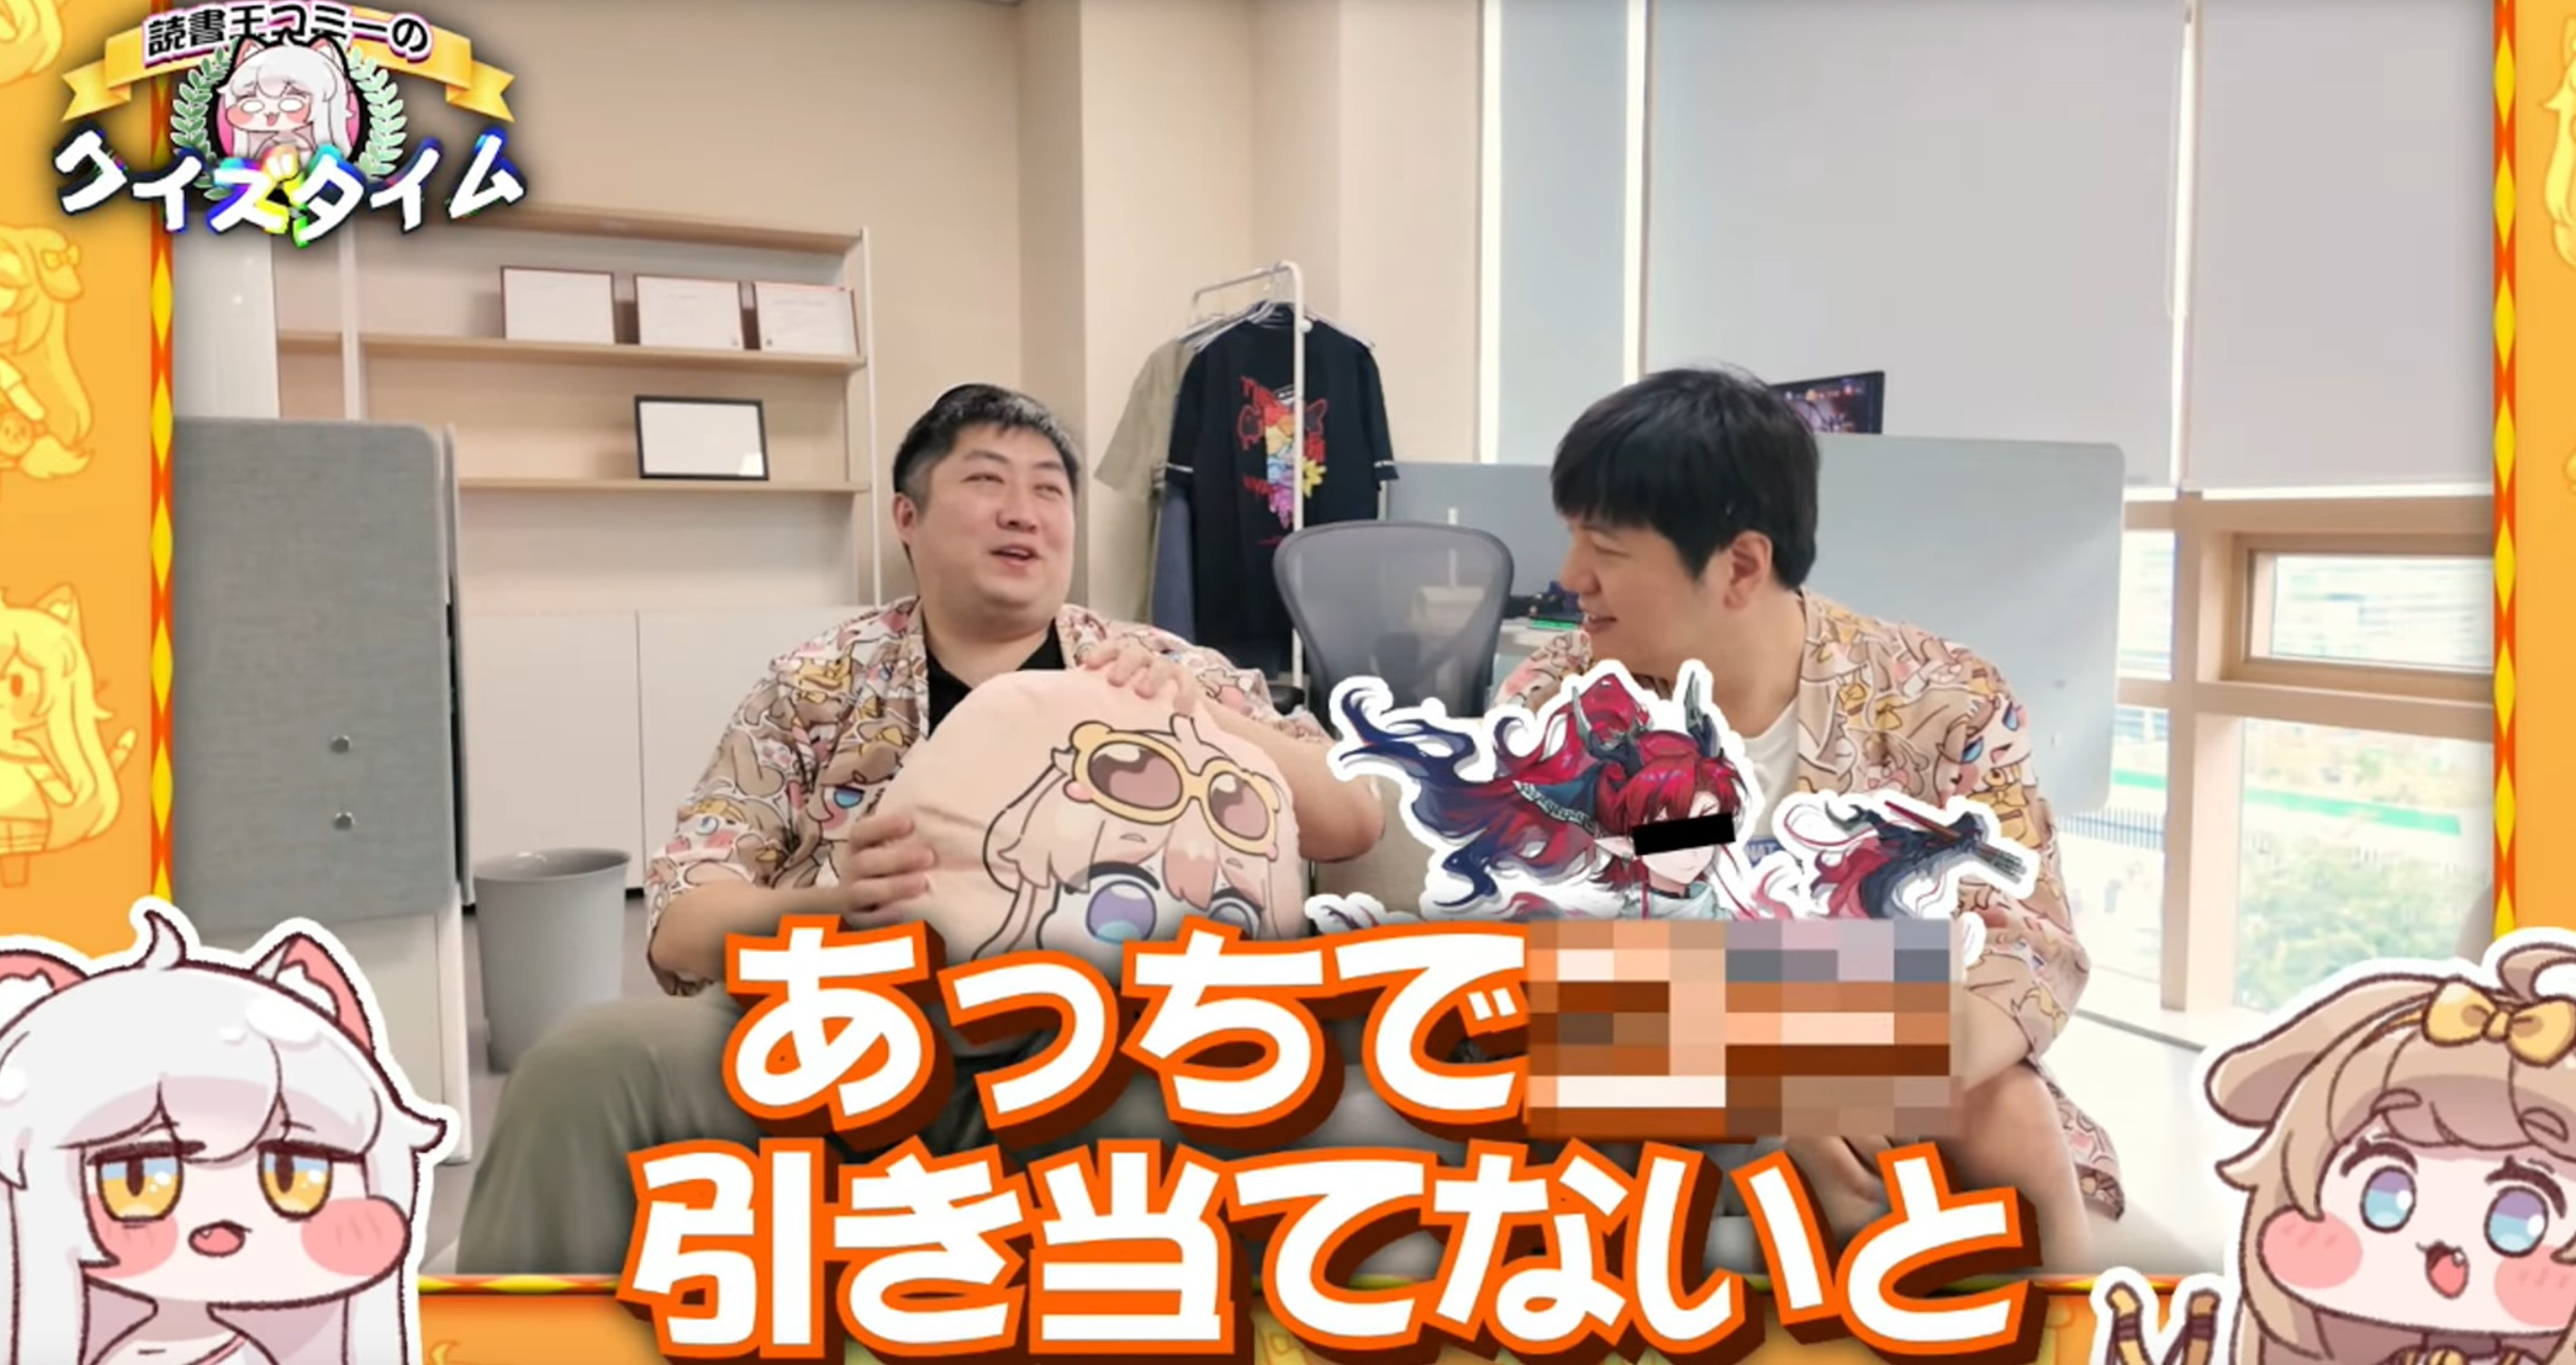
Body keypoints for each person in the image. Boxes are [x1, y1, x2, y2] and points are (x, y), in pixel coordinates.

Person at [455, 384, 1385, 1274]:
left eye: (1048, 490)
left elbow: (1354, 816)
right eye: (985, 480)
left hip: (1093, 1048)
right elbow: (679, 921)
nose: (1022, 512)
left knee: (1165, 1105)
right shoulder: (816, 685)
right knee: (584, 1066)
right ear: (907, 517)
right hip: (851, 1039)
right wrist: (830, 908)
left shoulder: (1154, 666)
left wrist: (1207, 717)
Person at [1493, 366, 2121, 1268]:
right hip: (1640, 1032)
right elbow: (1537, 943)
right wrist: (1778, 1069)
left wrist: (1858, 1071)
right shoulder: (1557, 703)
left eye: (1606, 547)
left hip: (1878, 1029)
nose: (1569, 577)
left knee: (2006, 1112)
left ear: (1741, 566)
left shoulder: (1940, 697)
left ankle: (2067, 1312)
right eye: (1572, 537)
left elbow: (2024, 943)